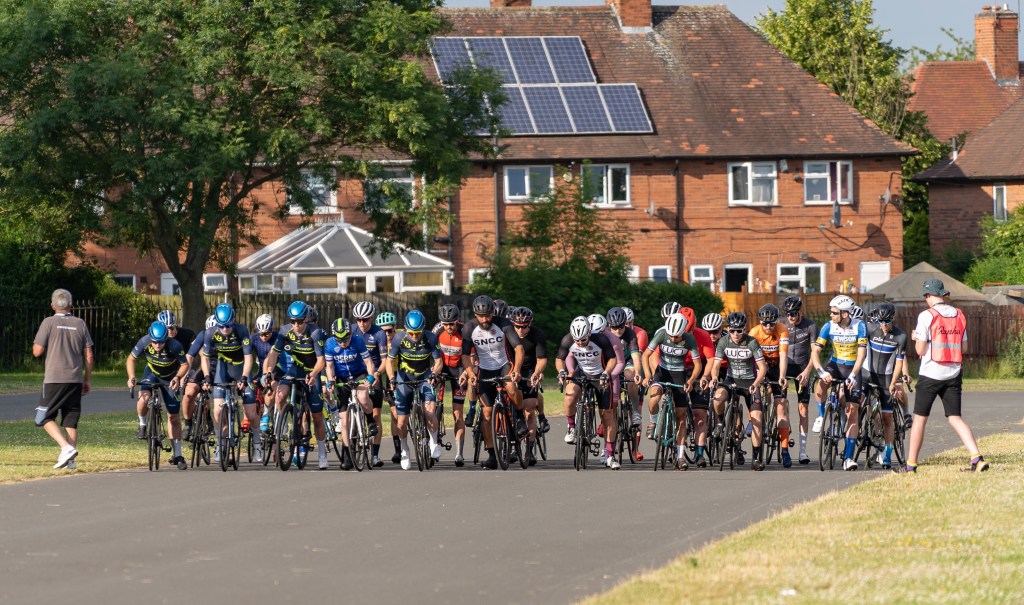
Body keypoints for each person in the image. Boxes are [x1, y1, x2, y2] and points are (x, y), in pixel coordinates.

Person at [905, 279, 989, 473]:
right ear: (942, 294)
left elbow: (920, 350)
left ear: (928, 296)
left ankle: (911, 465)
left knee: (920, 419)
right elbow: (964, 347)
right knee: (955, 417)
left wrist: (917, 338)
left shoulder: (927, 315)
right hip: (953, 373)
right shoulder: (959, 314)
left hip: (930, 373)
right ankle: (976, 457)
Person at [32, 288, 93, 470]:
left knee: (42, 417)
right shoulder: (80, 324)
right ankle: (71, 461)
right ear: (70, 305)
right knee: (70, 419)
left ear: (52, 305)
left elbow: (37, 351)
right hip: (75, 379)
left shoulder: (48, 322)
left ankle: (66, 448)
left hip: (54, 379)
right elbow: (89, 355)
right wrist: (87, 379)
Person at [263, 301, 329, 469]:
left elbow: (321, 360)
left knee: (316, 416)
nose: (296, 325)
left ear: (306, 319)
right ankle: (286, 421)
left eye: (299, 321)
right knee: (279, 395)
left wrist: (313, 375)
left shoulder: (315, 333)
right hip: (296, 368)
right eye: (293, 321)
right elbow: (274, 354)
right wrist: (269, 372)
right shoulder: (285, 331)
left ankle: (322, 452)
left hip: (312, 370)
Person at [462, 295, 525, 469]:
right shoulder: (469, 328)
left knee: (511, 386)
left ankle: (520, 417)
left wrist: (517, 370)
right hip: (484, 369)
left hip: (504, 365)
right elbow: (465, 355)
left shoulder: (504, 323)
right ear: (475, 314)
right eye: (481, 316)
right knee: (487, 413)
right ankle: (491, 455)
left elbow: (519, 348)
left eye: (488, 315)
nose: (485, 319)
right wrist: (470, 373)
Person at [810, 295, 867, 471]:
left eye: (834, 312)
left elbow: (862, 354)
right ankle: (821, 415)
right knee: (821, 384)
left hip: (852, 368)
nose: (831, 315)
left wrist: (853, 375)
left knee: (852, 413)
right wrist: (821, 371)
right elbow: (815, 351)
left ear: (845, 314)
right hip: (835, 364)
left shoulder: (859, 326)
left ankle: (848, 458)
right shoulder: (828, 326)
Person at [708, 312, 768, 470]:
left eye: (739, 330)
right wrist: (714, 378)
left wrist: (756, 383)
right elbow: (716, 365)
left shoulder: (752, 342)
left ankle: (755, 459)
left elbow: (762, 368)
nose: (735, 334)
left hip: (750, 382)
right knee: (717, 398)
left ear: (744, 329)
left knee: (757, 419)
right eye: (732, 330)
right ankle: (720, 422)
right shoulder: (723, 341)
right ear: (728, 329)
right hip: (731, 379)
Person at [642, 312, 701, 470]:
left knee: (681, 416)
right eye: (671, 335)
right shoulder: (662, 334)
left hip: (679, 375)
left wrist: (690, 381)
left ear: (683, 332)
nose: (673, 338)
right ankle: (654, 422)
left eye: (676, 336)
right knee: (653, 398)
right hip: (662, 372)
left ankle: (680, 456)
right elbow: (646, 355)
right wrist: (647, 375)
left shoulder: (689, 339)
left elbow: (698, 365)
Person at [556, 316, 618, 468]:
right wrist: (562, 371)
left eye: (583, 340)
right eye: (577, 340)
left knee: (607, 415)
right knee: (570, 395)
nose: (580, 343)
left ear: (589, 333)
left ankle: (610, 455)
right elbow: (559, 359)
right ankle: (571, 427)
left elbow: (612, 359)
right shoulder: (567, 340)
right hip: (582, 373)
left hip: (600, 375)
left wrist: (607, 373)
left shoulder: (600, 339)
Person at [127, 321, 190, 469]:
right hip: (152, 373)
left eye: (161, 342)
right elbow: (131, 359)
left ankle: (178, 454)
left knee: (173, 416)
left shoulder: (174, 346)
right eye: (154, 342)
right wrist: (131, 376)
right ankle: (142, 424)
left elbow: (185, 364)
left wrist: (177, 378)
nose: (157, 345)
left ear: (166, 338)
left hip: (170, 376)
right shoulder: (144, 341)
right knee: (143, 399)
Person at [386, 310, 443, 470]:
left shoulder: (431, 338)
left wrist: (434, 374)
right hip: (404, 378)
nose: (414, 336)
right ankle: (405, 450)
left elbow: (438, 361)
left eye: (417, 333)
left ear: (423, 328)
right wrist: (391, 379)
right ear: (405, 328)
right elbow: (389, 362)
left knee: (430, 412)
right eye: (411, 333)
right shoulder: (399, 338)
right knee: (401, 421)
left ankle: (433, 442)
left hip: (425, 376)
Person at [324, 318, 377, 470]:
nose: (342, 343)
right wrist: (330, 380)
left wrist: (370, 376)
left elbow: (369, 362)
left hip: (359, 374)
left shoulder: (358, 341)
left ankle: (370, 420)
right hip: (341, 378)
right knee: (344, 421)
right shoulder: (329, 344)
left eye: (345, 339)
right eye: (339, 340)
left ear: (350, 335)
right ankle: (347, 454)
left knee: (363, 398)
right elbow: (329, 366)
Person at [861, 302, 907, 470]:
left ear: (893, 318)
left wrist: (894, 382)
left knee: (887, 418)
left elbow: (899, 362)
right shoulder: (870, 329)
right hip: (867, 374)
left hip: (886, 378)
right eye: (881, 321)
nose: (884, 325)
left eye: (887, 321)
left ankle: (887, 453)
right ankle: (857, 434)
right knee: (856, 402)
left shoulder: (900, 336)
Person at [748, 303, 793, 467]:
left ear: (776, 321)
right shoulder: (754, 332)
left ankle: (785, 450)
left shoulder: (782, 330)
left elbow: (783, 355)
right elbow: (750, 359)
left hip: (776, 367)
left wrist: (782, 376)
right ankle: (751, 419)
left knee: (781, 409)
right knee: (756, 394)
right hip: (760, 366)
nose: (768, 327)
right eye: (764, 323)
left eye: (771, 323)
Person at [507, 306, 547, 466]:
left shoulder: (537, 334)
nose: (521, 330)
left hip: (529, 370)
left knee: (529, 410)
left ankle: (529, 450)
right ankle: (511, 446)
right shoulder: (507, 334)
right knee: (509, 408)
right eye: (517, 326)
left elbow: (542, 359)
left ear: (530, 323)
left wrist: (537, 373)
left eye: (524, 326)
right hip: (511, 369)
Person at [352, 301, 390, 467]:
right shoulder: (351, 331)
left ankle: (375, 455)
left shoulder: (379, 333)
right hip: (356, 373)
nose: (362, 323)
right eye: (359, 319)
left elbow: (384, 360)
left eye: (365, 319)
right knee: (352, 412)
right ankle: (352, 448)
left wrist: (377, 374)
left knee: (375, 415)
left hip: (373, 374)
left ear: (371, 318)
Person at [781, 295, 818, 464]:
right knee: (779, 403)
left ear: (800, 311)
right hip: (785, 366)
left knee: (803, 409)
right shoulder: (781, 324)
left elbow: (815, 352)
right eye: (788, 314)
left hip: (802, 367)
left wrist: (807, 372)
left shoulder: (810, 326)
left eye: (794, 313)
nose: (791, 317)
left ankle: (803, 451)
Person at [432, 303, 470, 466]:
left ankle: (459, 454)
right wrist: (432, 372)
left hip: (459, 369)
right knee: (432, 407)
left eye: (452, 324)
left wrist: (466, 373)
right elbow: (429, 351)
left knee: (457, 413)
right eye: (446, 324)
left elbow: (472, 357)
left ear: (457, 320)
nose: (449, 327)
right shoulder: (437, 330)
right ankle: (432, 441)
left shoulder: (465, 331)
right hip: (441, 367)